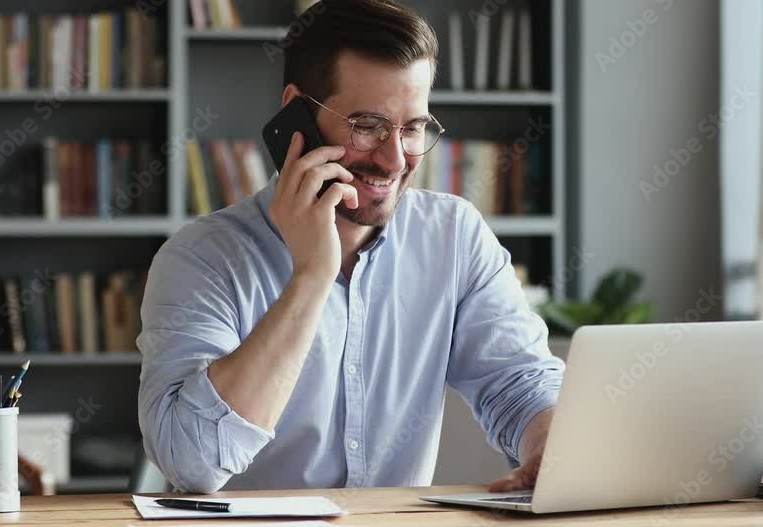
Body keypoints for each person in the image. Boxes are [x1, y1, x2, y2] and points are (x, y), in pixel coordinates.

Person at [137, 0, 564, 494]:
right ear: (297, 112)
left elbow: (518, 382)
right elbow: (192, 463)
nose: (393, 159)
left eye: (413, 128)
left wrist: (550, 446)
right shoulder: (201, 259)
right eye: (368, 125)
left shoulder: (455, 237)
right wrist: (311, 278)